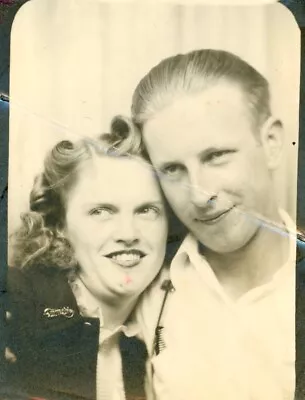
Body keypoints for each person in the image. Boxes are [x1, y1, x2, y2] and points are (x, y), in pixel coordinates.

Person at [127, 49, 305, 400]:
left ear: (270, 143)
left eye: (215, 156)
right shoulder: (146, 289)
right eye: (173, 170)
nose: (199, 195)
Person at [2, 117, 168, 400]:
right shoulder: (15, 307)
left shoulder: (169, 328)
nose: (128, 233)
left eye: (147, 210)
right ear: (59, 224)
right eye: (101, 211)